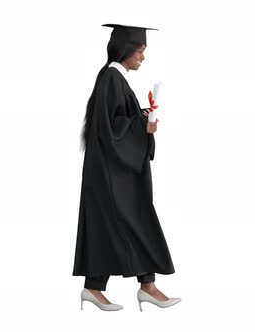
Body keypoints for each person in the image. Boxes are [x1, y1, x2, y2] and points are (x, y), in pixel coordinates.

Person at [73, 23, 181, 311]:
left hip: (113, 170)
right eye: (141, 50)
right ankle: (141, 286)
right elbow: (109, 130)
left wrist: (142, 118)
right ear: (126, 49)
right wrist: (140, 125)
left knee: (115, 225)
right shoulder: (111, 78)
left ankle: (102, 287)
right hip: (111, 173)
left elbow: (117, 121)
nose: (143, 57)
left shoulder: (114, 78)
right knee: (129, 223)